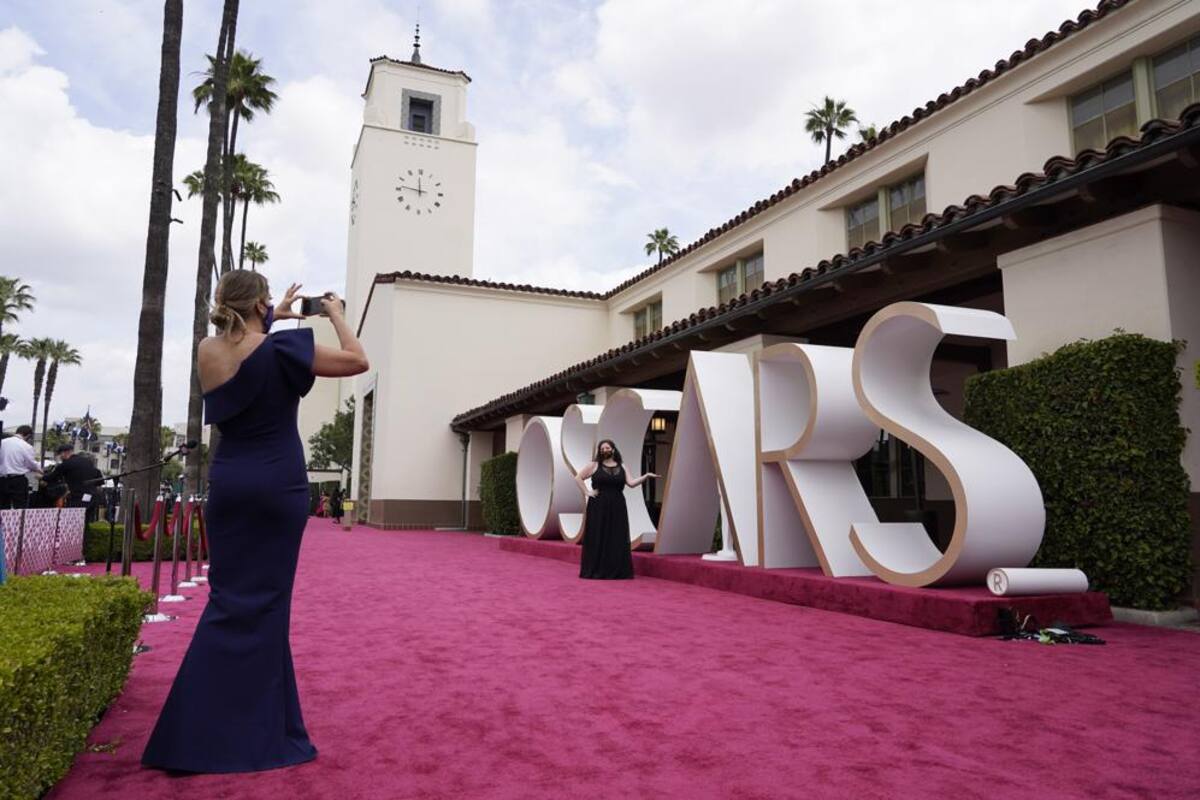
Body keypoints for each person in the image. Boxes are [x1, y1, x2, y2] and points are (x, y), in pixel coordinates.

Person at [142, 270, 368, 773]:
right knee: (267, 606)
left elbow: (244, 346)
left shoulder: (208, 349)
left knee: (229, 601)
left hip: (230, 483)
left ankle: (205, 730)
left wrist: (272, 316)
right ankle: (248, 737)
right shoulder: (285, 348)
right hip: (278, 483)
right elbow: (358, 360)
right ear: (262, 302)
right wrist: (334, 315)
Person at [573, 439, 658, 580]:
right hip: (598, 505)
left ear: (613, 449)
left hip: (618, 505)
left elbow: (631, 483)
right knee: (598, 535)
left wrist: (646, 476)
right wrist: (587, 492)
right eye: (602, 448)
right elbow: (578, 478)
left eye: (607, 448)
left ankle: (617, 570)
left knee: (616, 536)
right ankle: (597, 569)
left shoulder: (622, 466)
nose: (604, 450)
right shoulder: (594, 465)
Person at [0, 426, 42, 509]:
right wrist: (39, 469)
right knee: (20, 506)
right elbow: (30, 463)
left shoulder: (2, 442)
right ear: (28, 435)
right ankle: (18, 522)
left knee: (3, 506)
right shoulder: (26, 446)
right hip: (18, 480)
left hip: (2, 479)